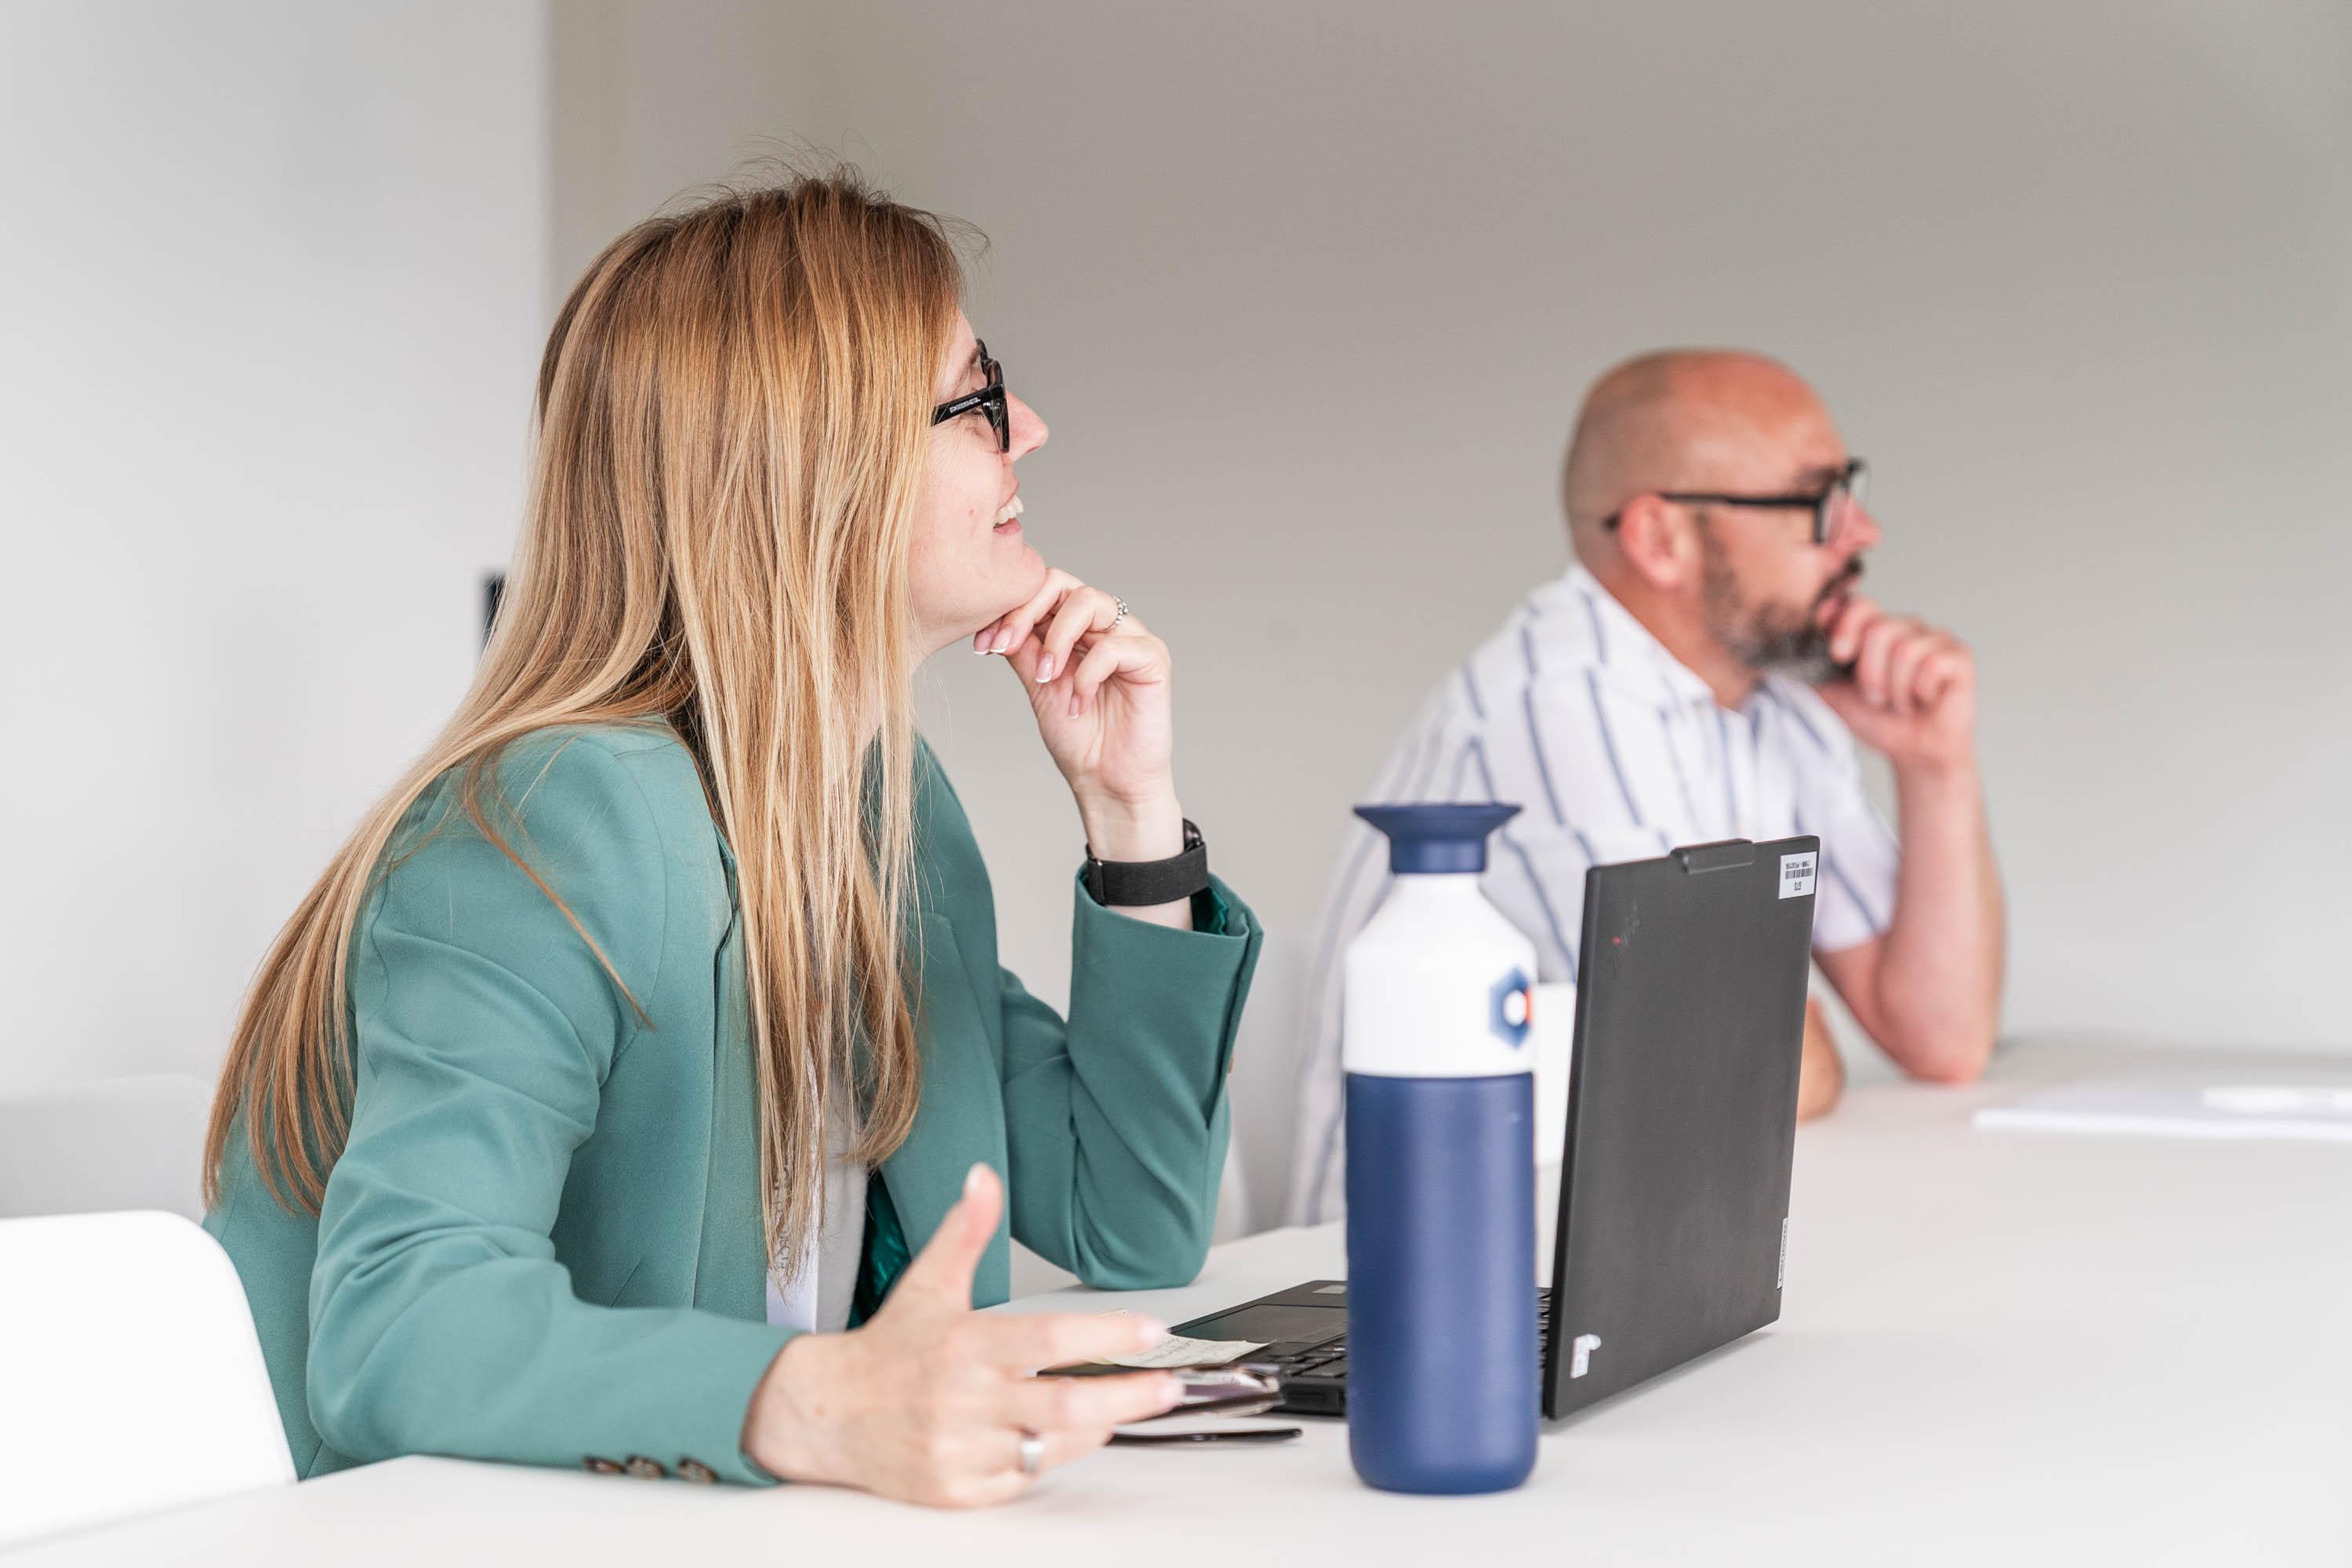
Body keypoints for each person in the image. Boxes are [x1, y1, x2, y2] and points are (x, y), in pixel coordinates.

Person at [201, 172, 1263, 1508]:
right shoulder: (555, 816)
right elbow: (402, 1331)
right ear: (816, 465)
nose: (1032, 429)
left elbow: (1135, 1224)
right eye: (980, 396)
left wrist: (1131, 819)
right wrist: (823, 1403)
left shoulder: (886, 806)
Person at [1287, 350, 2003, 1225]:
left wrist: (1936, 765)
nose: (1863, 532)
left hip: (1634, 1238)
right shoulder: (1559, 701)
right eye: (1818, 500)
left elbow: (1942, 1036)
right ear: (1660, 538)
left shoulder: (1774, 700)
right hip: (1417, 1281)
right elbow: (1726, 1071)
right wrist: (1770, 1038)